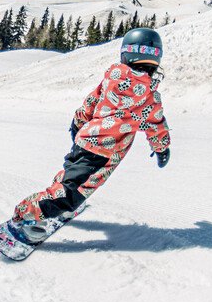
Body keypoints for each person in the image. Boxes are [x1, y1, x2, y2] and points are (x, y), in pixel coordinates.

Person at [9, 27, 172, 243]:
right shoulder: (150, 97)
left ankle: (55, 203)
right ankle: (27, 216)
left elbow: (91, 101)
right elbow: (156, 125)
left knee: (71, 178)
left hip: (86, 140)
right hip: (103, 153)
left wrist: (78, 123)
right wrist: (162, 149)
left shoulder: (111, 78)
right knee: (71, 194)